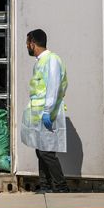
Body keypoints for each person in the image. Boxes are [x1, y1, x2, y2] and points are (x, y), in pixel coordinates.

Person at [20, 29, 69, 193]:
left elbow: (53, 87)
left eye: (27, 43)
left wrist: (47, 110)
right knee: (40, 150)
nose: (27, 46)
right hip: (39, 114)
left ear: (33, 43)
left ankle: (61, 186)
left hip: (48, 114)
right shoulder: (40, 61)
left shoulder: (51, 60)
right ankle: (46, 186)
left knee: (46, 152)